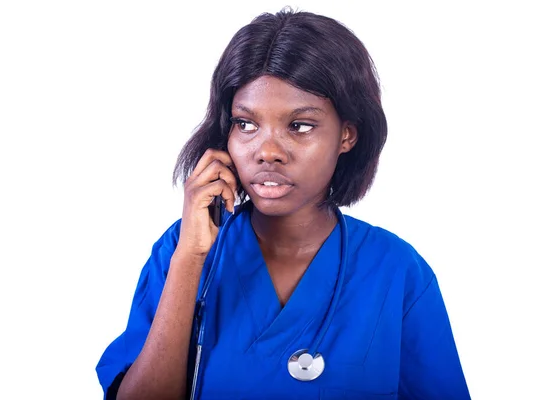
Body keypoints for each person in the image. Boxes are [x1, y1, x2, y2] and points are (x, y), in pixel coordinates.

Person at [96, 8, 471, 400]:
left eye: (300, 126)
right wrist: (191, 258)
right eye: (246, 124)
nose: (268, 151)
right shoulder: (181, 250)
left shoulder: (396, 270)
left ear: (347, 135)